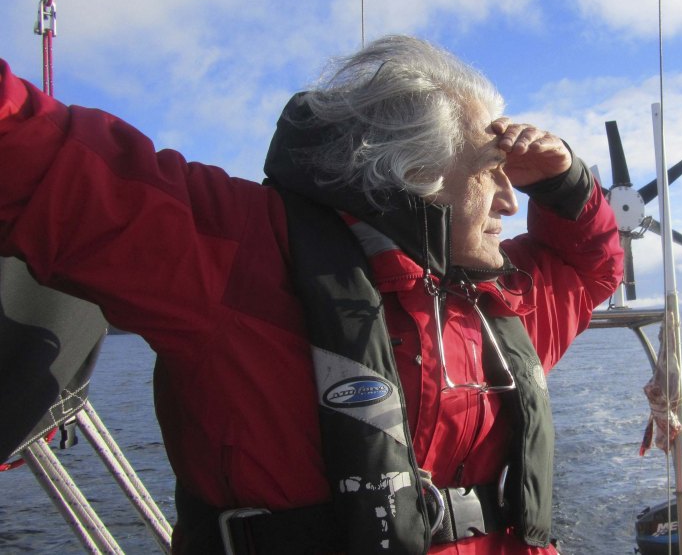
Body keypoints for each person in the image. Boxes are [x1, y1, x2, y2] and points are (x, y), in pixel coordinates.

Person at [0, 35, 623, 554]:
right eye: (493, 174)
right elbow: (39, 157)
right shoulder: (241, 251)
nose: (515, 202)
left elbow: (593, 269)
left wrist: (568, 185)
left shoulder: (500, 308)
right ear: (415, 174)